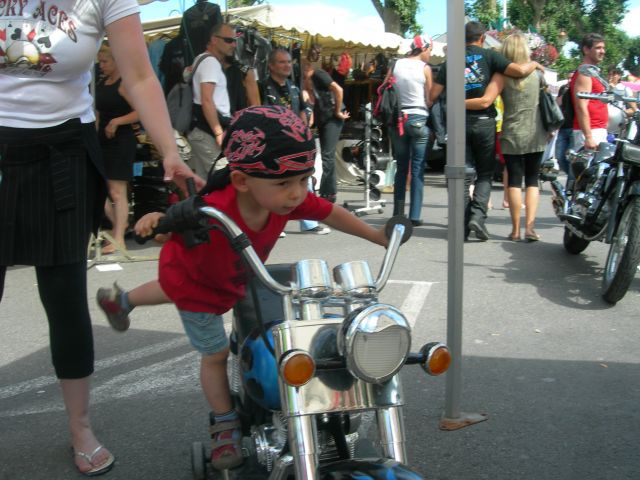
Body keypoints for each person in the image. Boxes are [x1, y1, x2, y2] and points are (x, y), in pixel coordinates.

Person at [95, 106, 388, 471]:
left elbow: (328, 212)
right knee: (214, 352)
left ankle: (122, 301)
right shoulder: (213, 208)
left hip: (232, 278)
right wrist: (157, 222)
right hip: (196, 283)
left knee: (173, 290)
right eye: (285, 183)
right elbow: (164, 231)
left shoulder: (282, 198)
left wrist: (377, 235)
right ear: (241, 181)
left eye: (303, 179)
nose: (297, 194)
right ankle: (224, 423)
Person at [0, 2, 201, 477]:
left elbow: (140, 76)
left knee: (65, 298)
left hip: (62, 153)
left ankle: (80, 427)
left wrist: (170, 151)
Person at [431, 21, 543, 241]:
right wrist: (535, 65)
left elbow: (432, 95)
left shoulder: (450, 61)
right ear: (482, 37)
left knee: (461, 176)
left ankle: (462, 225)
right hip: (484, 123)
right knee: (484, 173)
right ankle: (477, 216)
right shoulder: (491, 58)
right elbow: (519, 71)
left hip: (457, 123)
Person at [465, 33, 548, 242]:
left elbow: (488, 99)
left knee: (513, 181)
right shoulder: (537, 75)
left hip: (511, 132)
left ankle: (515, 231)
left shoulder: (502, 75)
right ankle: (530, 228)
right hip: (536, 132)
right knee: (532, 181)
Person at [260, 47, 330, 235]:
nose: (287, 66)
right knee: (274, 183)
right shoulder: (262, 86)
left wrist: (305, 136)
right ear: (271, 66)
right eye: (282, 62)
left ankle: (310, 223)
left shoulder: (293, 87)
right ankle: (274, 224)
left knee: (302, 181)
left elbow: (301, 113)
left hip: (294, 143)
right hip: (272, 142)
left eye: (289, 62)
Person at [95, 43, 139, 255]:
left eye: (105, 61)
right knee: (99, 189)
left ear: (116, 61)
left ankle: (119, 236)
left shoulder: (124, 85)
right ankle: (119, 227)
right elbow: (96, 112)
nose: (101, 66)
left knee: (117, 191)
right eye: (100, 62)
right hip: (102, 141)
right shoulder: (102, 82)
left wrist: (117, 121)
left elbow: (140, 112)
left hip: (121, 141)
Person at [387, 35, 433, 226]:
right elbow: (429, 99)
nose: (430, 55)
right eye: (429, 51)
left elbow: (386, 88)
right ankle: (414, 215)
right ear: (424, 49)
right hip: (418, 119)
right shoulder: (425, 69)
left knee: (401, 167)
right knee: (417, 168)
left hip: (397, 119)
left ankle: (398, 212)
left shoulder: (395, 65)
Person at [188, 23, 235, 179]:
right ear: (214, 39)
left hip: (201, 131)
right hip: (208, 131)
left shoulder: (201, 59)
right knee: (224, 179)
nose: (233, 44)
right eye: (229, 40)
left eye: (234, 40)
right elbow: (207, 100)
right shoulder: (210, 62)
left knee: (204, 185)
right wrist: (218, 133)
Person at [302, 59, 350, 204]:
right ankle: (329, 191)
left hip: (331, 119)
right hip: (325, 119)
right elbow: (314, 103)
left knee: (327, 156)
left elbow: (338, 89)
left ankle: (328, 192)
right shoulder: (309, 82)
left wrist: (337, 111)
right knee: (326, 156)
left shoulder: (318, 74)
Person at [571, 33, 607, 151]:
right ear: (586, 49)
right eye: (598, 48)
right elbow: (581, 106)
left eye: (603, 48)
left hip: (596, 130)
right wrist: (588, 136)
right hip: (591, 132)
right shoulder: (585, 74)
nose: (602, 51)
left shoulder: (592, 73)